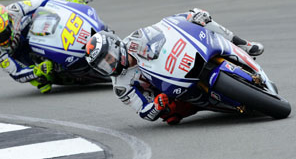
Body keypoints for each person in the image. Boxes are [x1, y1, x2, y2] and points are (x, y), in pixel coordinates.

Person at [84, 8, 264, 125]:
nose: (109, 65)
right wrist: (156, 105)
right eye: (102, 66)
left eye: (108, 58)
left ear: (116, 47)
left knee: (202, 19)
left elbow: (166, 26)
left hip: (176, 62)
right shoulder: (120, 87)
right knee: (170, 116)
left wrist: (190, 16)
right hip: (168, 91)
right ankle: (215, 104)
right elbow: (143, 111)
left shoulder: (135, 38)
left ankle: (241, 44)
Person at [0, 0, 88, 94]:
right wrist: (37, 71)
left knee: (44, 13)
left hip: (26, 30)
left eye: (4, 33)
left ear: (9, 21)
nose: (1, 40)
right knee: (43, 83)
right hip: (16, 54)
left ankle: (68, 36)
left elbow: (44, 0)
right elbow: (15, 73)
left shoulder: (14, 10)